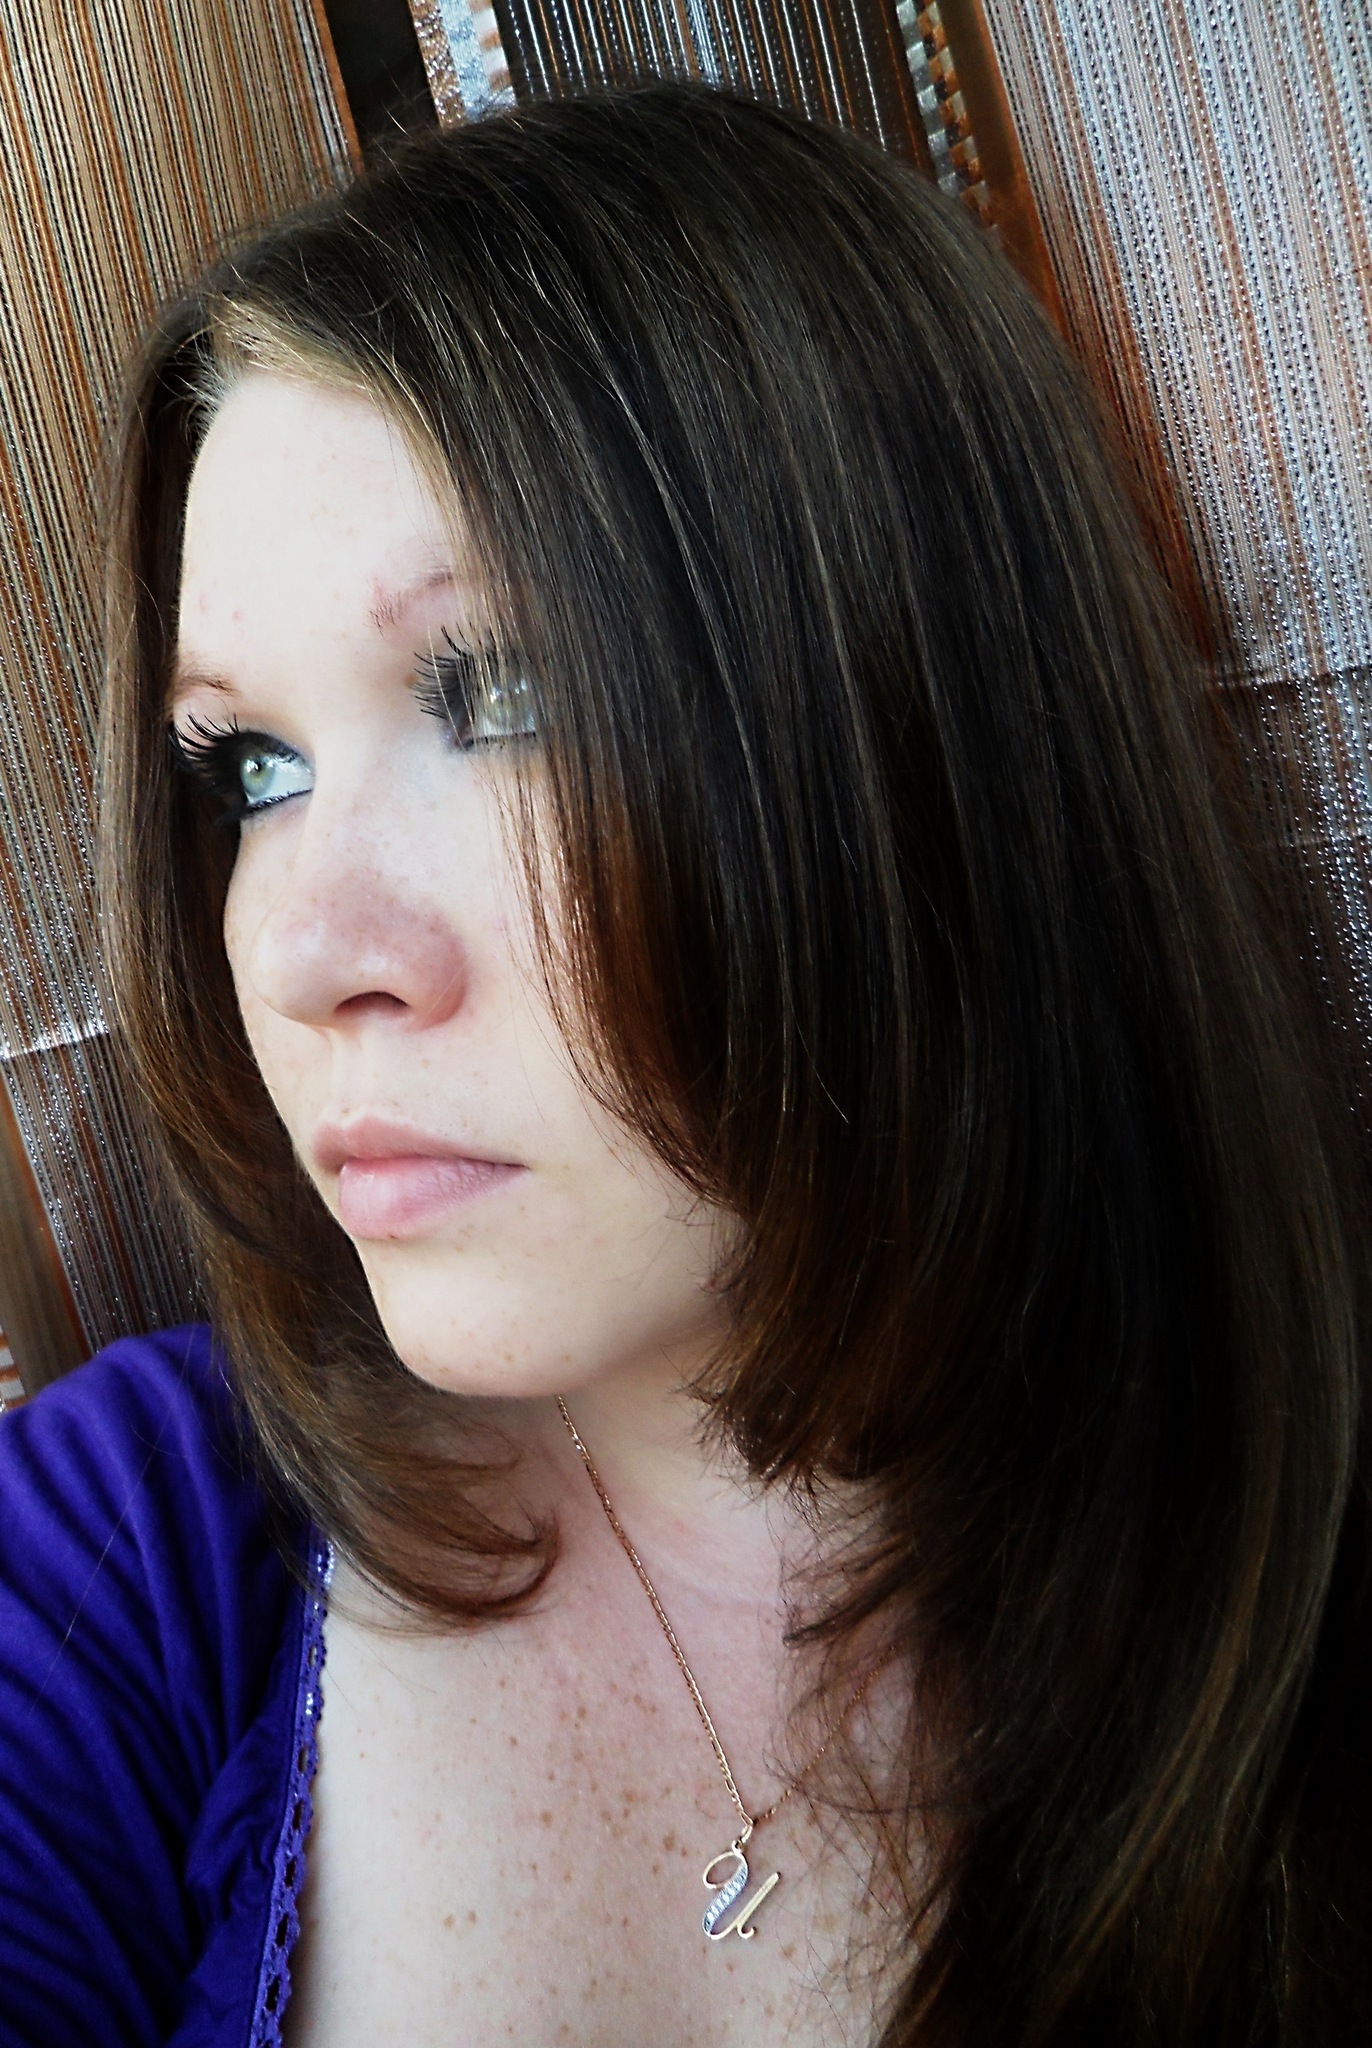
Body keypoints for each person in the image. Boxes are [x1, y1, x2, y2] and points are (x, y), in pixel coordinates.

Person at [0, 78, 1367, 2048]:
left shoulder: (1296, 1596)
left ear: (912, 724)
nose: (299, 953)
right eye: (253, 766)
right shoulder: (121, 1552)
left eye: (501, 690)